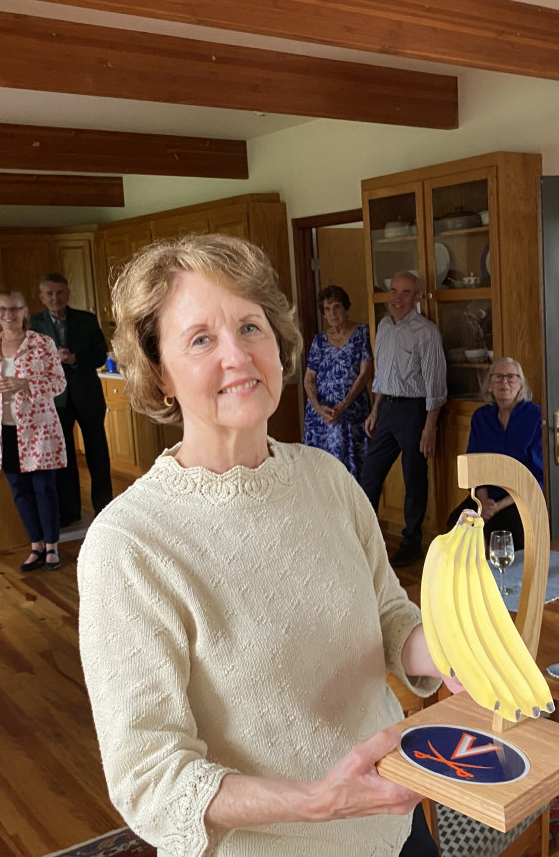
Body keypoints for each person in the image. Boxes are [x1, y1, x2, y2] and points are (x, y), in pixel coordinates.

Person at [77, 234, 451, 857]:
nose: (238, 356)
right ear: (160, 374)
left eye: (251, 327)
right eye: (201, 339)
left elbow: (389, 614)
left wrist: (448, 654)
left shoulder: (327, 479)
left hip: (391, 819)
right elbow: (149, 777)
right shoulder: (130, 545)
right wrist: (317, 801)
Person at [0, 291, 68, 572]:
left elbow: (58, 383)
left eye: (14, 309)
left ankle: (52, 546)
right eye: (2, 309)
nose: (8, 315)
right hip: (3, 430)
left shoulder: (42, 343)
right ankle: (35, 545)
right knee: (19, 490)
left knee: (44, 488)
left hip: (38, 429)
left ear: (25, 311)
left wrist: (26, 385)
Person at [360, 270, 447, 567]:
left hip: (414, 411)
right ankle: (365, 541)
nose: (397, 298)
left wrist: (429, 427)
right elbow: (382, 374)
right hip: (386, 410)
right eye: (394, 291)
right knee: (368, 475)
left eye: (406, 293)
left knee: (414, 479)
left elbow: (436, 385)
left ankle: (412, 542)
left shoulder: (426, 332)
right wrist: (374, 410)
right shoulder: (383, 326)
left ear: (417, 297)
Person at [30, 272, 112, 525]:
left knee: (98, 455)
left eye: (60, 293)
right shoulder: (32, 325)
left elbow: (100, 355)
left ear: (68, 294)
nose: (56, 298)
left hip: (87, 396)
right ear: (42, 297)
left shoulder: (86, 320)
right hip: (56, 402)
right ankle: (70, 513)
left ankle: (105, 509)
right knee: (63, 459)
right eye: (50, 294)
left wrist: (75, 359)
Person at [445, 357, 543, 550]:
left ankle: (510, 579)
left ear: (521, 386)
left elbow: (537, 476)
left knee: (507, 530)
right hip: (487, 495)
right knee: (456, 524)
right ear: (489, 385)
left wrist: (497, 507)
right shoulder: (480, 417)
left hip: (521, 497)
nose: (504, 382)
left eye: (511, 377)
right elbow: (474, 465)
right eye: (498, 377)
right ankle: (472, 578)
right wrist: (483, 502)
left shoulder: (536, 416)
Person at [303, 285, 373, 477]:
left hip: (352, 412)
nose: (332, 313)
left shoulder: (363, 333)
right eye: (327, 309)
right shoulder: (319, 340)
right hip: (321, 417)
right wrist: (317, 407)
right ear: (323, 314)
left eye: (337, 307)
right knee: (322, 474)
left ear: (346, 308)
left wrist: (343, 405)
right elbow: (309, 378)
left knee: (355, 473)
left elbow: (365, 373)